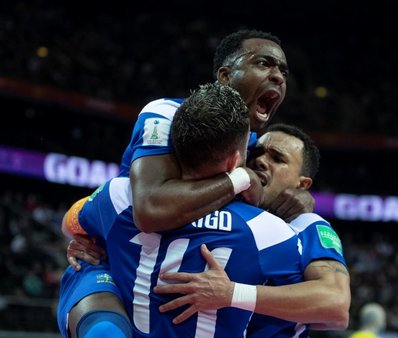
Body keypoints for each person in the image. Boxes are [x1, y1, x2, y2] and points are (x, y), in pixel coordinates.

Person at [58, 28, 311, 337]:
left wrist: (301, 204)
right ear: (225, 75)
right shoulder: (166, 114)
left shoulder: (253, 145)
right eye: (264, 64)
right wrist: (241, 178)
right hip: (116, 258)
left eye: (283, 70)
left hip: (172, 271)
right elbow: (150, 210)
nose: (278, 76)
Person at [154, 123, 351, 337]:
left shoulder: (306, 225)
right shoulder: (215, 205)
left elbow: (335, 305)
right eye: (256, 152)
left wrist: (232, 294)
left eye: (277, 158)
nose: (260, 160)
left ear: (302, 185)